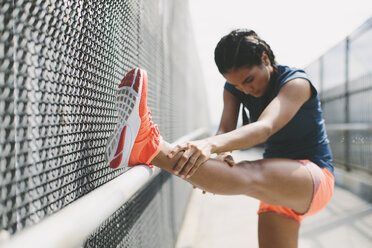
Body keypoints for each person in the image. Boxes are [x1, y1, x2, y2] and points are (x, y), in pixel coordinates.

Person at [105, 29, 334, 248]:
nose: (245, 89)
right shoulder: (235, 89)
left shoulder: (296, 84)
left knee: (249, 173)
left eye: (249, 79)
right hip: (278, 190)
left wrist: (209, 145)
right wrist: (220, 158)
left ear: (265, 58)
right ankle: (144, 145)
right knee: (239, 172)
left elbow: (265, 127)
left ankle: (148, 145)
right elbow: (224, 129)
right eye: (236, 84)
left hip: (315, 177)